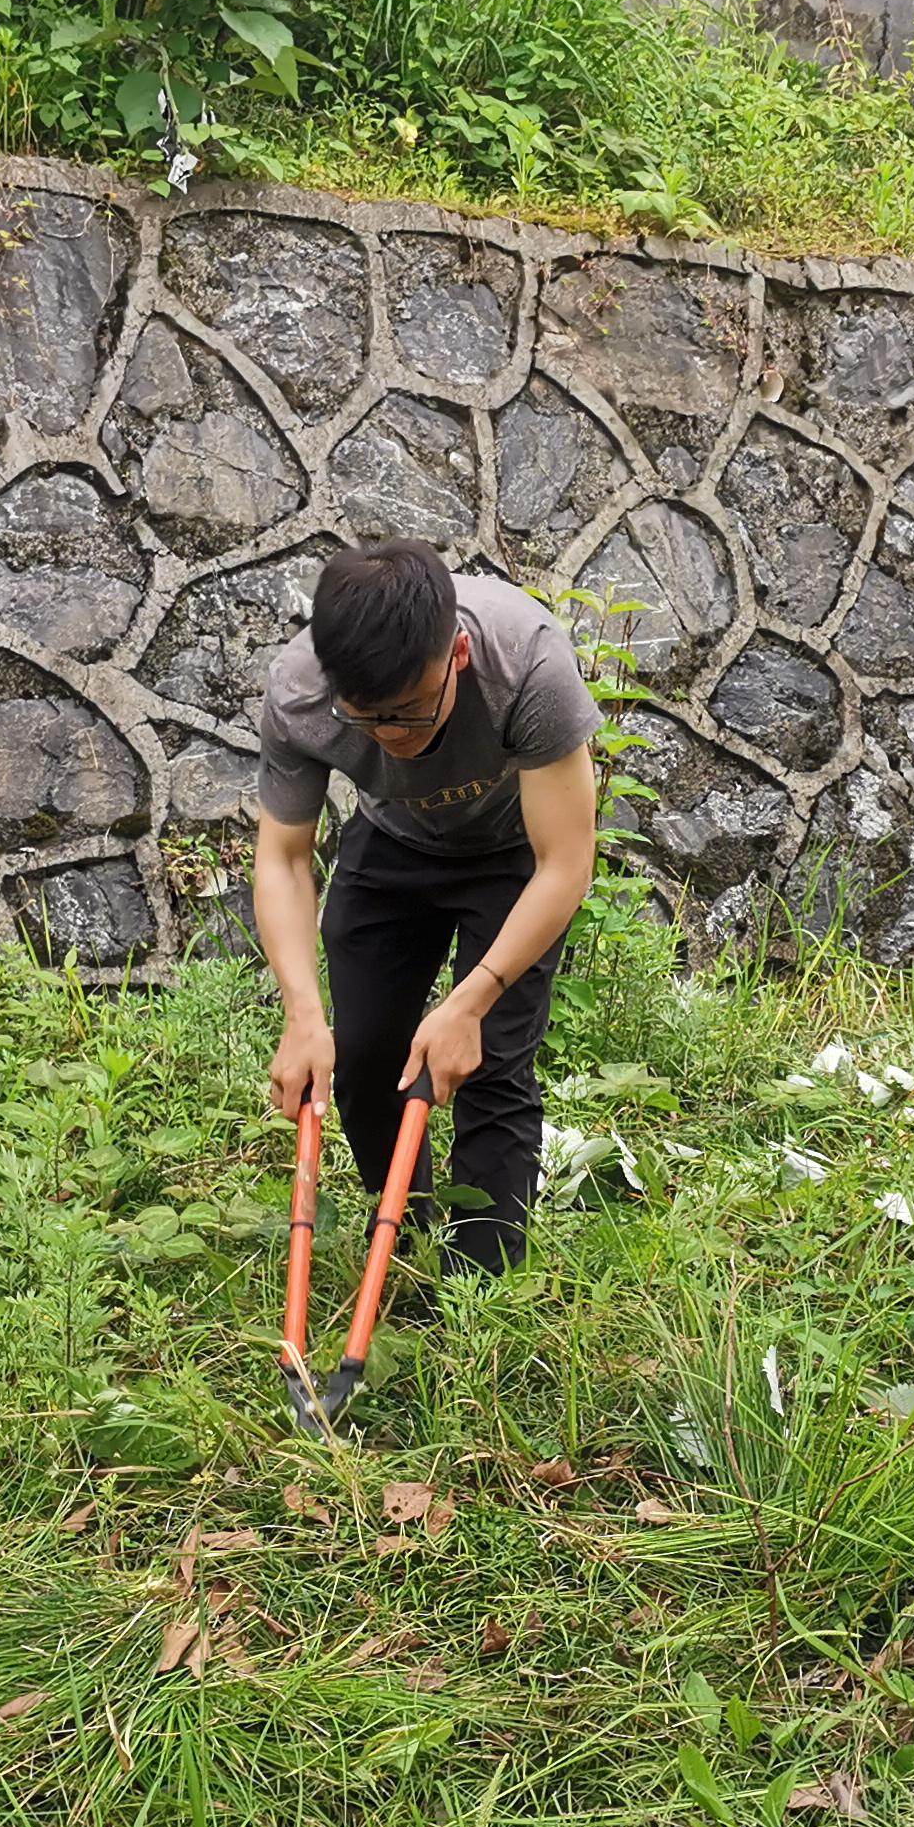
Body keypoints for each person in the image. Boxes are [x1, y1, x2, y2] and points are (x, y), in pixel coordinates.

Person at [253, 540, 602, 1305]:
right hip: (391, 847)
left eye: (410, 712)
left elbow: (566, 862)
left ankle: (480, 1306)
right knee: (366, 1058)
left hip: (515, 855)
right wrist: (302, 1014)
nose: (392, 737)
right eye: (367, 718)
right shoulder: (303, 692)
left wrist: (470, 1003)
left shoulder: (529, 664)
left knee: (489, 1067)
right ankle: (407, 1246)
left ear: (461, 655)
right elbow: (282, 860)